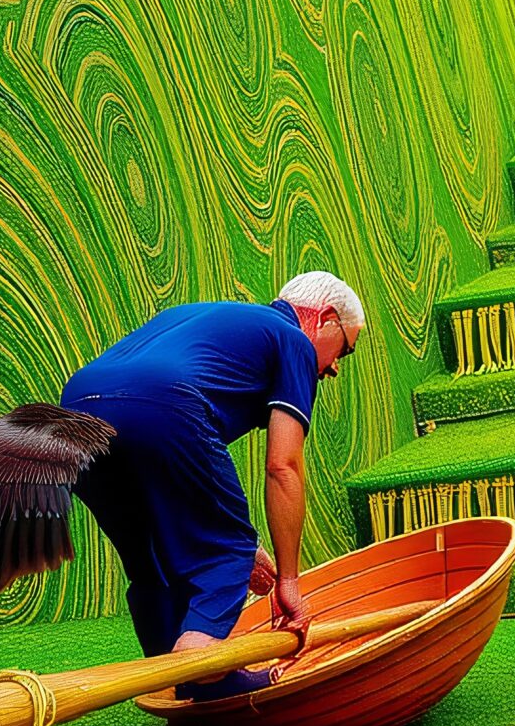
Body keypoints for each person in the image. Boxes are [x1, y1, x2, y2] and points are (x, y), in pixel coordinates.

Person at [61, 271, 363, 698]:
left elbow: (179, 487)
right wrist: (288, 580)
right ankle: (203, 675)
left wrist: (245, 550)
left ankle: (174, 688)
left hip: (73, 411)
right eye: (344, 351)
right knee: (227, 550)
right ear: (324, 318)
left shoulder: (207, 318)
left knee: (152, 562)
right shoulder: (292, 340)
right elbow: (283, 466)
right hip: (165, 401)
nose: (333, 368)